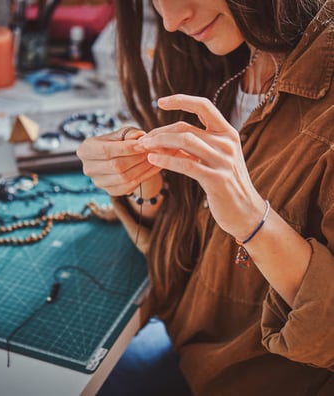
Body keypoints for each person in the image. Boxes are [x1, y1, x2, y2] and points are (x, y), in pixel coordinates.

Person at [76, 0, 334, 395]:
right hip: (189, 357)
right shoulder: (224, 58)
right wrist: (143, 181)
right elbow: (194, 251)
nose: (171, 20)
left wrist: (254, 221)